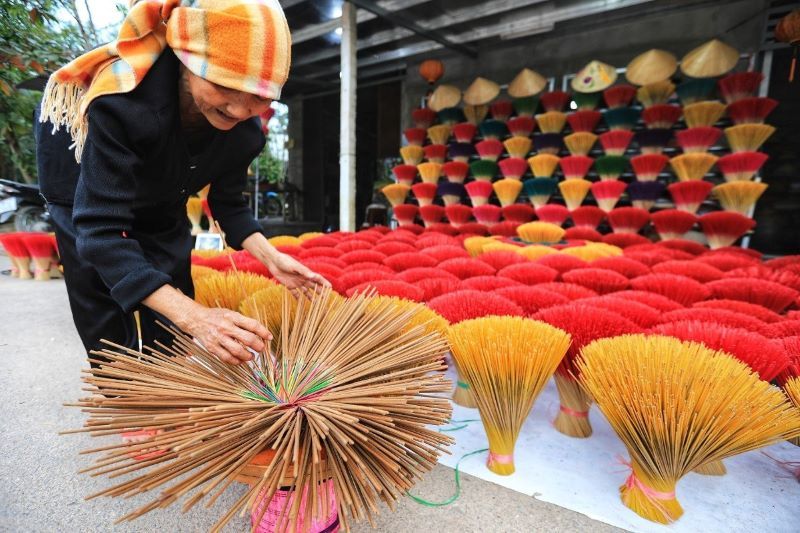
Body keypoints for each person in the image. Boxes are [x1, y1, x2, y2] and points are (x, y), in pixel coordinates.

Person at [36, 0, 327, 366]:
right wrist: (198, 318)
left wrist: (273, 259)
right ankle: (123, 392)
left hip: (162, 189)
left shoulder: (245, 134)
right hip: (78, 178)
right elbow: (100, 231)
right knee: (97, 283)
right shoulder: (122, 105)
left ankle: (168, 379)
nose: (239, 110)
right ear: (188, 62)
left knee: (172, 267)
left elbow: (229, 204)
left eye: (259, 97)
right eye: (224, 84)